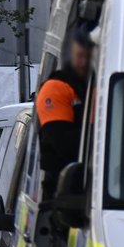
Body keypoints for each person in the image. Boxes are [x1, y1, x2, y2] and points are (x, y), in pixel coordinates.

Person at [35, 21, 94, 189]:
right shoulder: (56, 87)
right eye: (80, 56)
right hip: (64, 189)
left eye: (89, 57)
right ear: (71, 54)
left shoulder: (97, 86)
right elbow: (58, 141)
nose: (84, 62)